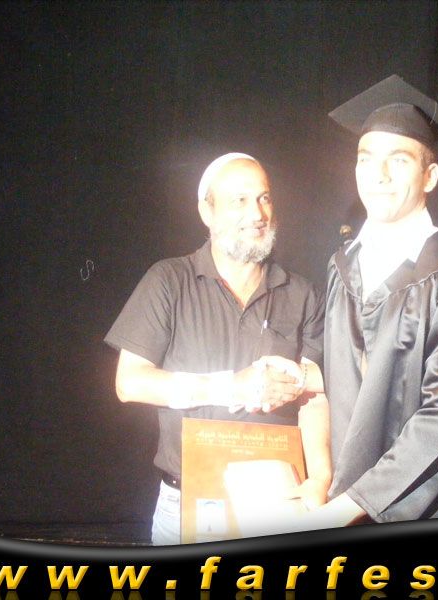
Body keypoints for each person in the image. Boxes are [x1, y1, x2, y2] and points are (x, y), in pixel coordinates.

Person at [298, 74, 438, 528]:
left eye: (399, 159)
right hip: (349, 502)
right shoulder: (342, 264)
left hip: (435, 506)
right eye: (366, 158)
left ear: (430, 176)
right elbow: (341, 379)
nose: (380, 175)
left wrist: (346, 508)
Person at [104, 152, 332, 544]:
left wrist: (321, 477)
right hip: (188, 503)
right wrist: (233, 387)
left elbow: (315, 395)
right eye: (238, 201)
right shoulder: (169, 281)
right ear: (206, 212)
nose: (257, 214)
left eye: (263, 198)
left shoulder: (303, 294)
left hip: (277, 500)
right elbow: (130, 383)